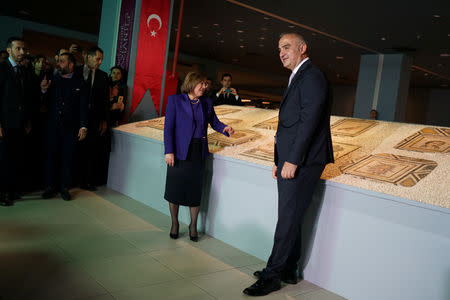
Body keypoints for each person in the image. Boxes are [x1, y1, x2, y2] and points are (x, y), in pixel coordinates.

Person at [243, 32, 334, 296]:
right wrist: (278, 160)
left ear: (302, 48)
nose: (281, 52)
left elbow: (309, 122)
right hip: (290, 158)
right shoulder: (299, 75)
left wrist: (292, 159)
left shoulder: (313, 75)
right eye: (278, 48)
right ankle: (289, 270)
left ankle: (272, 276)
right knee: (291, 217)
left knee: (287, 219)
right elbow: (288, 124)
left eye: (286, 47)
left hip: (303, 160)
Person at [164, 72, 234, 242]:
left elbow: (214, 122)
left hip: (198, 151)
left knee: (195, 190)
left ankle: (193, 225)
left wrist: (225, 128)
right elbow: (169, 128)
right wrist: (169, 151)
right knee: (175, 189)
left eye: (205, 84)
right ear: (191, 83)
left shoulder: (207, 102)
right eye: (201, 83)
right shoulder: (175, 100)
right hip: (179, 152)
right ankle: (174, 223)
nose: (205, 87)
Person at [40, 52, 88, 201]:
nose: (58, 64)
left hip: (71, 127)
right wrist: (43, 90)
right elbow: (44, 104)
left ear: (71, 65)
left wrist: (83, 126)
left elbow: (83, 107)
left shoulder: (80, 83)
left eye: (62, 62)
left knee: (67, 158)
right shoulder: (52, 80)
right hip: (52, 126)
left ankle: (64, 188)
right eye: (58, 61)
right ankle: (49, 187)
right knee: (50, 156)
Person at [0, 37, 35, 206]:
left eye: (24, 49)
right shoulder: (1, 68)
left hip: (20, 123)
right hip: (5, 123)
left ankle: (12, 190)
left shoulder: (25, 71)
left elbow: (26, 99)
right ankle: (2, 193)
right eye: (19, 49)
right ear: (9, 50)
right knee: (3, 159)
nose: (22, 52)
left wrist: (27, 120)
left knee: (16, 158)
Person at [75, 46, 109, 190]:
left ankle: (87, 181)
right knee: (74, 149)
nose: (100, 62)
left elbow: (105, 101)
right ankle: (71, 180)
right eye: (97, 59)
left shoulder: (103, 76)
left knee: (91, 151)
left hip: (94, 119)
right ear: (88, 57)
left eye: (101, 59)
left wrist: (104, 120)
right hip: (76, 117)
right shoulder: (76, 71)